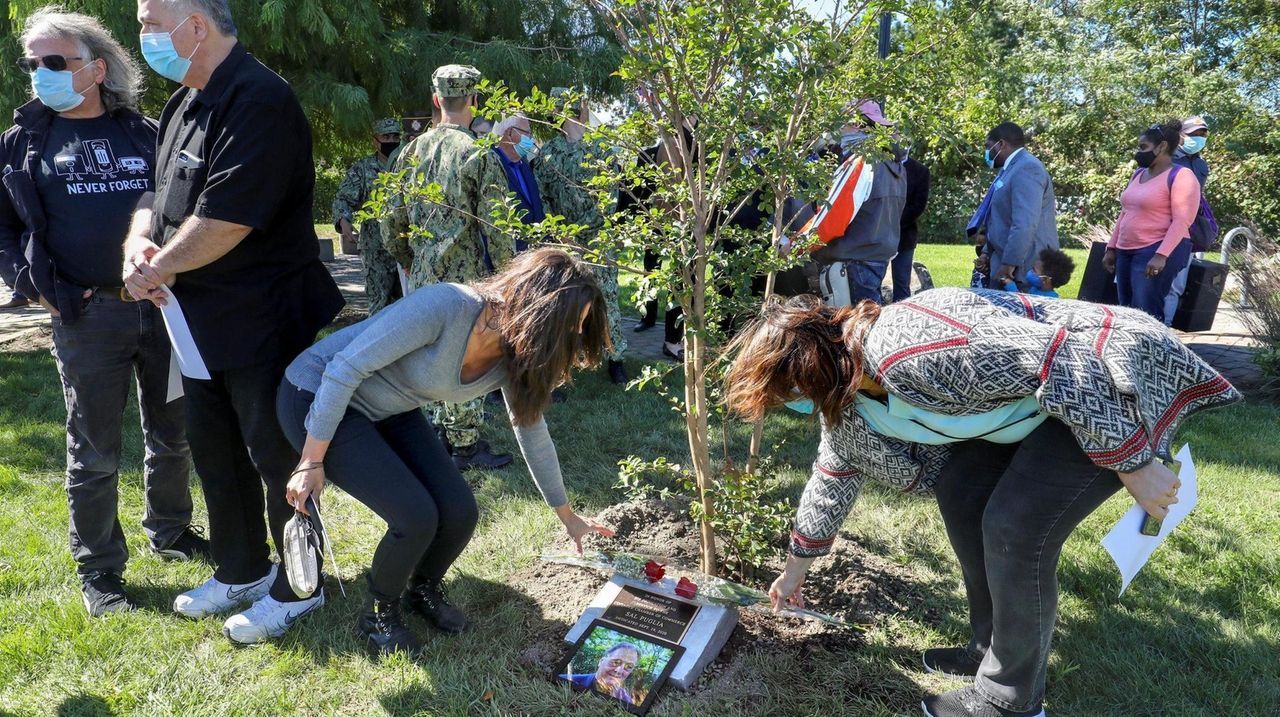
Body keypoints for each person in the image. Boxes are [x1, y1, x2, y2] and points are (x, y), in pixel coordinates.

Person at [724, 290, 1239, 717]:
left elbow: (1063, 359)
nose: (790, 406)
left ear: (810, 368)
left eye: (785, 393)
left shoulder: (909, 350)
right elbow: (830, 479)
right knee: (963, 489)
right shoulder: (850, 402)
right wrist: (794, 574)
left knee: (1016, 526)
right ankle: (989, 648)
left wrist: (1134, 463)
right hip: (1044, 403)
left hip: (1108, 377)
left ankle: (1010, 701)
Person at [124, 0, 344, 642]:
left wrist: (156, 268)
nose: (143, 37)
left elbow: (227, 218)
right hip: (194, 320)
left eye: (150, 22)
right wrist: (140, 246)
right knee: (216, 452)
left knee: (276, 457)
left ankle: (301, 584)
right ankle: (241, 567)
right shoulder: (182, 103)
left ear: (196, 25)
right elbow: (153, 196)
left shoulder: (259, 99)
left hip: (262, 318)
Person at [277, 248, 615, 653]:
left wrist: (567, 515)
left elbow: (532, 430)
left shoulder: (517, 352)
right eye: (568, 327)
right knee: (415, 516)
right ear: (539, 310)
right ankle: (378, 616)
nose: (571, 340)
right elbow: (344, 368)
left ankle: (422, 590)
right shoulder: (448, 306)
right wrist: (311, 461)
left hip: (391, 407)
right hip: (317, 395)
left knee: (459, 511)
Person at [0, 7, 205, 617]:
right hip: (88, 319)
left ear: (95, 68)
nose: (40, 73)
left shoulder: (145, 132)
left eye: (53, 62)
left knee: (173, 435)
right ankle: (100, 570)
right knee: (93, 447)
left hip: (164, 309)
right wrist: (33, 287)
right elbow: (3, 231)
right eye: (32, 63)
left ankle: (169, 530)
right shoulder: (22, 144)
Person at [382, 65, 515, 472]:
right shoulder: (478, 154)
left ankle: (440, 433)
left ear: (436, 100)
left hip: (423, 277)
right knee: (465, 359)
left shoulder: (407, 153)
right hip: (466, 281)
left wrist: (411, 262)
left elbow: (391, 224)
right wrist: (509, 277)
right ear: (474, 101)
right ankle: (465, 446)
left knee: (432, 355)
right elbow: (498, 227)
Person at [534, 89, 629, 384]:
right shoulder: (548, 154)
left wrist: (572, 234)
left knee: (604, 299)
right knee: (568, 303)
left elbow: (607, 203)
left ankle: (615, 357)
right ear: (582, 111)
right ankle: (575, 359)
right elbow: (544, 199)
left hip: (595, 242)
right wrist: (565, 235)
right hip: (569, 243)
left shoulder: (600, 150)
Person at [812, 99, 906, 307]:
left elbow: (832, 218)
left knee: (850, 332)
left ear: (856, 125)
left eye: (840, 124)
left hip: (853, 263)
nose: (834, 132)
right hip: (874, 257)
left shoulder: (862, 160)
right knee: (867, 325)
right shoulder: (894, 163)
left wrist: (795, 245)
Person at [1102, 121, 1199, 321]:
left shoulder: (1182, 176)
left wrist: (1161, 255)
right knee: (1126, 310)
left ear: (1162, 147)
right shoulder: (1138, 174)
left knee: (1146, 311)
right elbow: (1125, 212)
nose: (1139, 152)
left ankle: (1152, 351)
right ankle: (1131, 351)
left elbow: (1182, 220)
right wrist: (1111, 247)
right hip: (1126, 250)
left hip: (1154, 249)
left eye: (1143, 147)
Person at [971, 122, 1059, 289]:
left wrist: (1009, 264)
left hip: (1024, 267)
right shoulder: (1010, 169)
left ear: (1001, 144)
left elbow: (1024, 223)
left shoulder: (1027, 168)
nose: (987, 153)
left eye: (988, 147)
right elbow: (1000, 218)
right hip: (1005, 260)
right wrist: (986, 253)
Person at [333, 117, 403, 314]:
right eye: (386, 136)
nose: (391, 141)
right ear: (375, 140)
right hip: (376, 251)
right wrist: (343, 221)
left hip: (405, 249)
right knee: (379, 304)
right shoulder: (363, 169)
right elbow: (343, 199)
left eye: (395, 136)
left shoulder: (409, 164)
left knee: (407, 305)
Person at [1163, 115, 1211, 324]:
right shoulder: (1166, 159)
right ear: (1180, 135)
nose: (1198, 138)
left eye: (1202, 134)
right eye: (1193, 134)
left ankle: (1165, 331)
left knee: (1176, 285)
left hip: (1186, 231)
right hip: (1160, 227)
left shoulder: (1201, 166)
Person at [491, 113, 545, 252]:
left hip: (537, 255)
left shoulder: (524, 164)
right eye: (527, 133)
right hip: (510, 258)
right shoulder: (490, 164)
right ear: (509, 132)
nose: (530, 139)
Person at [892, 149, 930, 302]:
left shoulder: (921, 171)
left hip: (904, 235)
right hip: (878, 234)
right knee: (872, 281)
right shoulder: (879, 165)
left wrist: (894, 222)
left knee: (901, 282)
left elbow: (918, 205)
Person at [560, 643, 642, 705]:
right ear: (601, 661)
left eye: (629, 667)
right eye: (616, 662)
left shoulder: (626, 701)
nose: (619, 671)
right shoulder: (565, 682)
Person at [1002, 248, 1074, 299]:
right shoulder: (1034, 289)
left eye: (1034, 271)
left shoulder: (1050, 299)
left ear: (1045, 279)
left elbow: (1027, 306)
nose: (1030, 272)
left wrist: (1011, 287)